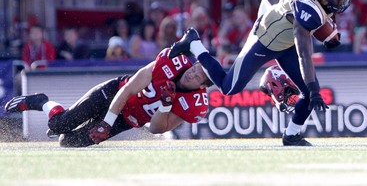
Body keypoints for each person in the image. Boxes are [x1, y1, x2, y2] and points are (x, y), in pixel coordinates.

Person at [169, 0, 353, 146]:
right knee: (228, 87)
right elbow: (304, 54)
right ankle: (194, 42)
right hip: (264, 39)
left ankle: (291, 135)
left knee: (307, 93)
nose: (340, 2)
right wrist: (314, 88)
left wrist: (327, 36)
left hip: (284, 39)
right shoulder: (309, 8)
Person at [4, 48, 212, 147]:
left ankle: (65, 123)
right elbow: (128, 90)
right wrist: (106, 122)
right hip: (112, 94)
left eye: (198, 76)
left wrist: (166, 106)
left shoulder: (196, 104)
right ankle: (40, 101)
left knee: (68, 142)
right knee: (60, 124)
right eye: (195, 68)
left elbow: (157, 128)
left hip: (127, 120)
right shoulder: (171, 61)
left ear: (202, 86)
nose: (192, 73)